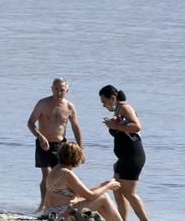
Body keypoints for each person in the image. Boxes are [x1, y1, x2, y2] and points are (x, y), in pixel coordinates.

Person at [29, 78, 84, 207]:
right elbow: (30, 123)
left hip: (61, 146)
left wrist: (81, 149)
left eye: (62, 90)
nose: (59, 93)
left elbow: (75, 127)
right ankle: (44, 204)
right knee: (47, 175)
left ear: (67, 90)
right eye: (56, 89)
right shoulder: (43, 103)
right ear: (52, 89)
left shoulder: (69, 106)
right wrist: (40, 137)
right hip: (43, 144)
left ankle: (62, 203)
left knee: (64, 175)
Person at [99, 86, 149, 221]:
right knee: (118, 190)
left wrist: (114, 126)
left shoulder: (125, 108)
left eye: (104, 101)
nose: (103, 105)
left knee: (130, 193)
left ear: (113, 98)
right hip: (123, 158)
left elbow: (137, 127)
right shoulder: (117, 110)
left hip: (132, 156)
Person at [40, 142, 123, 221]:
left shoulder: (56, 169)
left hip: (51, 212)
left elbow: (82, 193)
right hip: (61, 215)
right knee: (104, 197)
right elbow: (91, 196)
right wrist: (109, 185)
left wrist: (103, 184)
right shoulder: (67, 173)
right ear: (75, 157)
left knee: (100, 197)